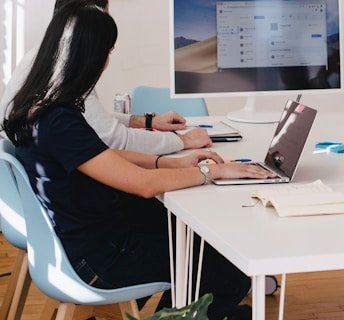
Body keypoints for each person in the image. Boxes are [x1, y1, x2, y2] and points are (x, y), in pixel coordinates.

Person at [1, 3, 274, 318]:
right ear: (91, 56)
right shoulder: (59, 119)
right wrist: (212, 172)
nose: (107, 61)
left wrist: (166, 163)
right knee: (227, 270)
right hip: (99, 257)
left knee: (187, 237)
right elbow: (143, 186)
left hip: (83, 239)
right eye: (109, 51)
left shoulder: (39, 106)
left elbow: (100, 156)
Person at [0, 0, 211, 155]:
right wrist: (182, 141)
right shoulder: (65, 74)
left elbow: (90, 119)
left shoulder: (42, 59)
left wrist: (146, 121)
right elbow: (115, 139)